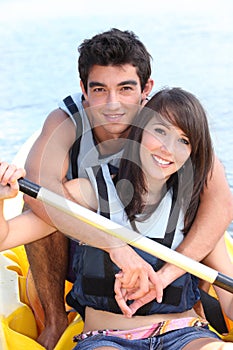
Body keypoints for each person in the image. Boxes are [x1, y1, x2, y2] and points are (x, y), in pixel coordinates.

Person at [22, 28, 233, 349]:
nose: (112, 104)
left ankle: (190, 310)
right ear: (84, 90)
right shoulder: (67, 123)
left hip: (164, 264)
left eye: (125, 89)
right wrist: (116, 247)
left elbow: (219, 203)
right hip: (88, 244)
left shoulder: (168, 129)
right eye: (99, 89)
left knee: (198, 211)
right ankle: (54, 318)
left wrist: (167, 275)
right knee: (42, 205)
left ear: (145, 89)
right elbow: (41, 191)